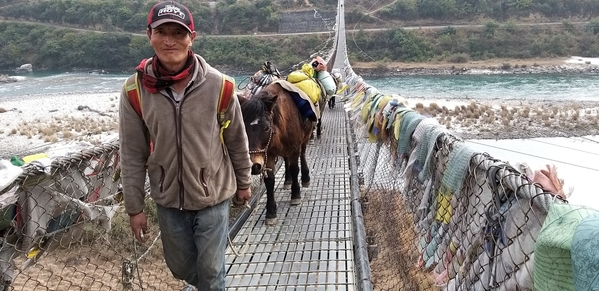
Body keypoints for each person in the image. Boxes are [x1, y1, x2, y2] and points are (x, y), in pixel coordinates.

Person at [118, 1, 252, 290]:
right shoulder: (135, 90)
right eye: (161, 32)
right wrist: (134, 208)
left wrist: (244, 182)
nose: (170, 41)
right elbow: (131, 153)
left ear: (192, 36)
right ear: (148, 35)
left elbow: (237, 141)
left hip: (213, 195)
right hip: (168, 200)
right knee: (180, 269)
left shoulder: (221, 86)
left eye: (178, 33)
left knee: (212, 271)